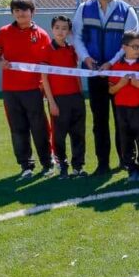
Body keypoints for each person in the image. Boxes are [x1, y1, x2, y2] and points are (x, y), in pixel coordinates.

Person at [71, 0, 139, 176]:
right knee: (99, 121)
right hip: (94, 75)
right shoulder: (84, 9)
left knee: (122, 120)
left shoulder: (127, 10)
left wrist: (111, 63)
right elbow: (76, 37)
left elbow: (130, 43)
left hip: (118, 74)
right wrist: (86, 59)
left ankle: (126, 160)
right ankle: (102, 163)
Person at [0, 0, 52, 179]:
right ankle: (26, 165)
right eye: (16, 10)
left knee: (39, 127)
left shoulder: (42, 35)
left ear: (32, 12)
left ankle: (47, 163)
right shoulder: (4, 32)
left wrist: (45, 87)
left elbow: (47, 63)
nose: (20, 14)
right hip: (10, 90)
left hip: (33, 89)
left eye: (24, 10)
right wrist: (0, 63)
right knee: (17, 128)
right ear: (12, 13)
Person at [40, 15, 87, 179]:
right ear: (52, 29)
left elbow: (76, 73)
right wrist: (51, 102)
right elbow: (44, 78)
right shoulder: (46, 49)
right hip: (58, 100)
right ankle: (63, 167)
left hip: (76, 98)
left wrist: (80, 95)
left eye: (64, 28)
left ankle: (78, 167)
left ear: (69, 32)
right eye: (57, 28)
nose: (60, 31)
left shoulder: (72, 49)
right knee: (59, 135)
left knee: (78, 134)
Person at [108, 32, 139, 182]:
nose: (138, 50)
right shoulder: (116, 66)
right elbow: (111, 90)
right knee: (125, 139)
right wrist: (121, 84)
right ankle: (131, 168)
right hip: (122, 109)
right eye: (134, 46)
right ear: (124, 47)